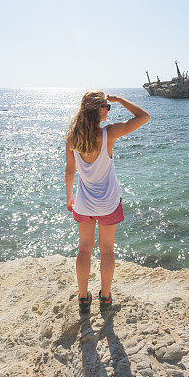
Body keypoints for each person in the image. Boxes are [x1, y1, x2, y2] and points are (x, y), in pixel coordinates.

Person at [65, 91, 150, 315]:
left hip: (83, 204)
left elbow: (70, 170)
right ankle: (104, 297)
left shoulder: (73, 138)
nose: (108, 110)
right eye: (107, 107)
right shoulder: (109, 134)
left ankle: (83, 298)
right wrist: (121, 100)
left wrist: (69, 196)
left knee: (84, 250)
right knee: (107, 250)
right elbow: (143, 117)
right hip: (108, 204)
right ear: (98, 110)